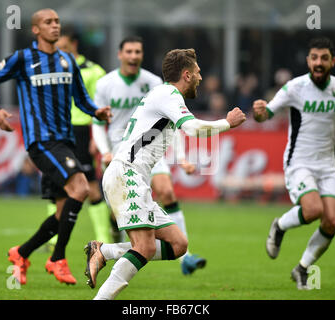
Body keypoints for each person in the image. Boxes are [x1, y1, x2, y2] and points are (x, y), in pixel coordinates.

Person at [84, 48, 246, 300]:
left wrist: (180, 158)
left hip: (132, 177)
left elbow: (176, 130)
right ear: (187, 74)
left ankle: (104, 251)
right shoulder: (167, 94)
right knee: (145, 247)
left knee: (178, 244)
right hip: (126, 176)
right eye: (198, 72)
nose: (201, 78)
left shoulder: (164, 96)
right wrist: (227, 123)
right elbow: (191, 128)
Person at [0, 8, 111, 285]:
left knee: (63, 211)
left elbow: (82, 98)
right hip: (41, 141)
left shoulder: (67, 61)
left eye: (57, 22)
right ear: (36, 30)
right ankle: (57, 258)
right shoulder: (23, 59)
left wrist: (96, 111)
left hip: (66, 141)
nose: (55, 26)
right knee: (82, 188)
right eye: (48, 22)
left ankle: (21, 252)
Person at [253, 37, 335, 290]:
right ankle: (279, 226)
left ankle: (302, 268)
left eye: (324, 58)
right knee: (313, 210)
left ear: (333, 61)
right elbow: (266, 114)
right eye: (314, 58)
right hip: (299, 161)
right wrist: (259, 112)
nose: (319, 63)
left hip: (327, 164)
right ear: (308, 61)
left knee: (332, 221)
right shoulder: (295, 87)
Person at [92, 36, 206, 275]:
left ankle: (185, 256)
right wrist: (105, 152)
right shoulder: (105, 84)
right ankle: (113, 244)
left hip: (152, 148)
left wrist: (182, 157)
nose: (134, 56)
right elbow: (96, 123)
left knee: (166, 191)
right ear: (120, 55)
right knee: (124, 221)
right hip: (122, 150)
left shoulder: (154, 82)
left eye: (138, 52)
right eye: (129, 51)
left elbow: (171, 124)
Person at [42, 29, 111, 247]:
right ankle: (53, 234)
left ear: (74, 44)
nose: (58, 52)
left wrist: (95, 137)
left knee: (89, 184)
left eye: (63, 47)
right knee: (56, 180)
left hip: (82, 131)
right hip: (57, 131)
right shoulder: (51, 69)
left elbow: (100, 106)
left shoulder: (94, 71)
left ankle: (103, 235)